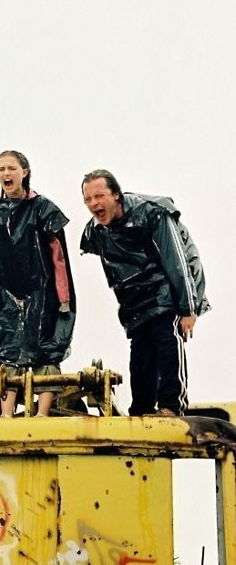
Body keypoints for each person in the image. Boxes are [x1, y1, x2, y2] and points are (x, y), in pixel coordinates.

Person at [80, 169, 210, 417]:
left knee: (165, 341)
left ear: (116, 194)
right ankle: (141, 408)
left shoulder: (151, 213)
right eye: (87, 199)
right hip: (135, 301)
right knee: (140, 353)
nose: (93, 204)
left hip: (165, 292)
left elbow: (177, 261)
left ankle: (172, 405)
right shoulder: (96, 231)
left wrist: (188, 309)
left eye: (99, 196)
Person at [0, 150, 76, 417]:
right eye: (1, 169)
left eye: (11, 168)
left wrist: (63, 297)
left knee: (46, 350)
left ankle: (42, 413)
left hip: (43, 291)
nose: (6, 174)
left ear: (25, 172)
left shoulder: (43, 208)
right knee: (8, 351)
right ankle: (7, 415)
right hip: (3, 291)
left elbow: (59, 258)